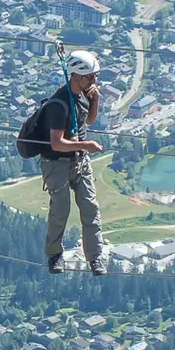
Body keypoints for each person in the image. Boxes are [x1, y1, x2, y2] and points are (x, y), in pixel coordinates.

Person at [38, 50, 106, 275]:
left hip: (78, 160)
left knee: (90, 207)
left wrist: (95, 99)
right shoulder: (58, 104)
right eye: (91, 77)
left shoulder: (83, 95)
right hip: (57, 163)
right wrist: (86, 146)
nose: (94, 81)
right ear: (76, 76)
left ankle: (95, 258)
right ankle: (54, 255)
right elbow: (57, 143)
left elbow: (88, 120)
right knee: (61, 209)